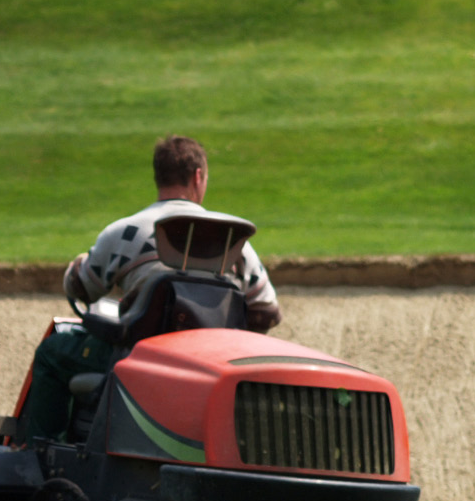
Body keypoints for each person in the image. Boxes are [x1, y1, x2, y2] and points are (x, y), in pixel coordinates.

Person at [19, 135, 282, 443]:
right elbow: (267, 312)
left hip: (136, 361)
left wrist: (76, 266)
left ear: (158, 176)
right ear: (198, 177)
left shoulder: (125, 232)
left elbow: (81, 288)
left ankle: (40, 452)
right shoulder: (233, 243)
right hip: (212, 367)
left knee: (53, 352)